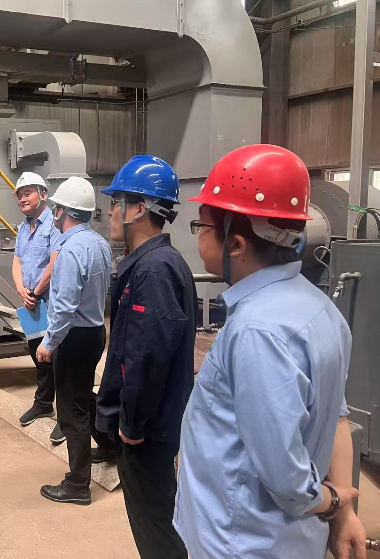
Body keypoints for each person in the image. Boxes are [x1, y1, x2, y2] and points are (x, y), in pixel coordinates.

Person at [174, 144, 367, 559]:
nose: (198, 234)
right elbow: (335, 416)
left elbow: (285, 476)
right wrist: (344, 510)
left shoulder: (257, 331)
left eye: (201, 225)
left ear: (236, 244)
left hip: (240, 541)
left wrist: (332, 502)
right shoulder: (321, 310)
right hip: (283, 541)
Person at [93, 155, 196, 559]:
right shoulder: (157, 263)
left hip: (146, 431)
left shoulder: (153, 270)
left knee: (156, 528)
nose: (109, 211)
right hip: (154, 424)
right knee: (159, 518)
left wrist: (132, 423)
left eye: (116, 201)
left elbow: (146, 356)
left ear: (139, 208)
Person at [36, 176, 111, 505]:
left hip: (73, 337)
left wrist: (49, 343)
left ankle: (78, 485)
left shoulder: (69, 251)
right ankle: (109, 447)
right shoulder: (99, 244)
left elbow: (65, 307)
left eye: (56, 208)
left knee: (70, 411)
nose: (53, 213)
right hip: (95, 332)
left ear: (62, 212)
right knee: (84, 397)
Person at [12, 172, 65, 445]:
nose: (22, 198)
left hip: (50, 302)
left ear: (43, 194)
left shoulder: (54, 225)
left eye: (28, 193)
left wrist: (35, 291)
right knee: (38, 355)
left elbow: (55, 263)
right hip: (31, 303)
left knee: (58, 358)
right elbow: (17, 261)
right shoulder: (23, 228)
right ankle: (44, 403)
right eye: (19, 195)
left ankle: (66, 417)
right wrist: (21, 290)